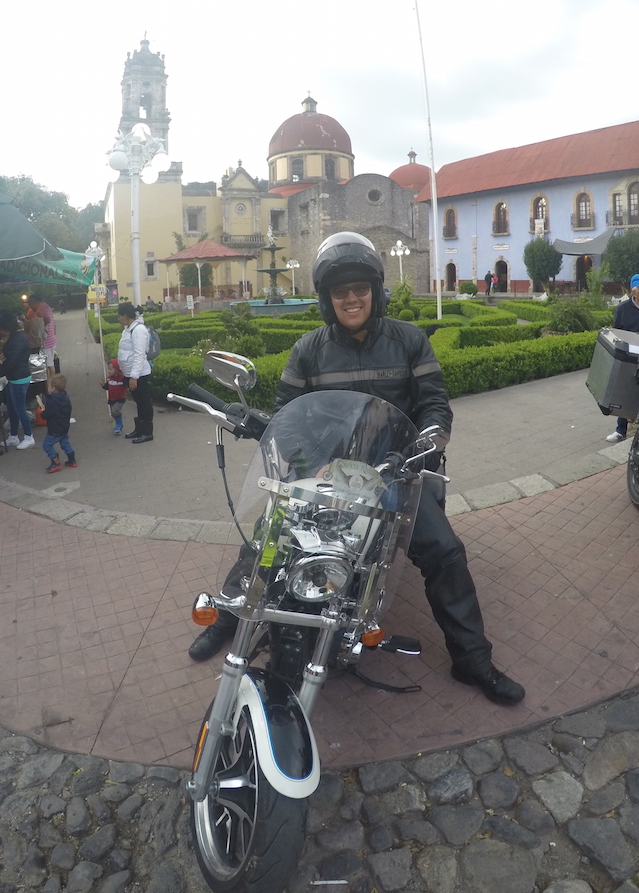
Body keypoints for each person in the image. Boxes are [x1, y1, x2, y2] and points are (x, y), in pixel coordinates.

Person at [188, 232, 525, 706]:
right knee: (270, 535)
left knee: (445, 551)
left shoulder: (409, 341)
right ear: (327, 299)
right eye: (340, 291)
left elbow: (435, 406)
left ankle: (472, 658)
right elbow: (288, 418)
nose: (351, 298)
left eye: (360, 288)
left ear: (376, 291)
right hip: (326, 474)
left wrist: (425, 445)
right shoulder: (308, 350)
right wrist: (307, 461)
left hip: (395, 476)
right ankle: (228, 618)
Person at [607, 273, 639, 443]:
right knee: (625, 393)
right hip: (631, 358)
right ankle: (621, 430)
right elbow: (617, 334)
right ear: (634, 292)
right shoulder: (622, 309)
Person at [0, 311, 35, 450]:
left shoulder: (17, 339)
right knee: (12, 407)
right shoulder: (18, 337)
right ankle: (13, 436)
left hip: (19, 378)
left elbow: (12, 361)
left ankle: (29, 437)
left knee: (19, 408)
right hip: (16, 377)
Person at [116, 302, 153, 444]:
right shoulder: (128, 329)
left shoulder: (138, 330)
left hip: (139, 374)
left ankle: (147, 432)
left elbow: (139, 354)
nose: (118, 319)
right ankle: (139, 429)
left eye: (119, 316)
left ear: (126, 316)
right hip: (130, 373)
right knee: (139, 402)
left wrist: (134, 377)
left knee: (144, 403)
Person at [39, 373, 77, 473]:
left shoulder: (52, 400)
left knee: (47, 445)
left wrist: (43, 414)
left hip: (55, 428)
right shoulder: (65, 397)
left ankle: (55, 461)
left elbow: (47, 414)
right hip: (64, 425)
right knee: (65, 442)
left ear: (53, 388)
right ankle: (72, 459)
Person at [27, 295, 56, 385]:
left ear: (33, 301)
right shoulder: (45, 306)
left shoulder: (41, 308)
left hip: (46, 340)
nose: (30, 306)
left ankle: (51, 383)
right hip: (51, 338)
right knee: (50, 362)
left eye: (30, 304)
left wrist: (39, 322)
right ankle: (50, 382)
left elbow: (46, 320)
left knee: (48, 364)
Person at [100, 358, 127, 435]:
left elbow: (126, 385)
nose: (109, 371)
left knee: (115, 411)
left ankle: (119, 425)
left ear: (116, 369)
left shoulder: (122, 378)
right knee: (113, 413)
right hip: (112, 398)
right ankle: (118, 424)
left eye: (111, 369)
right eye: (108, 369)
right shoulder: (109, 379)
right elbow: (107, 387)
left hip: (120, 398)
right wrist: (103, 385)